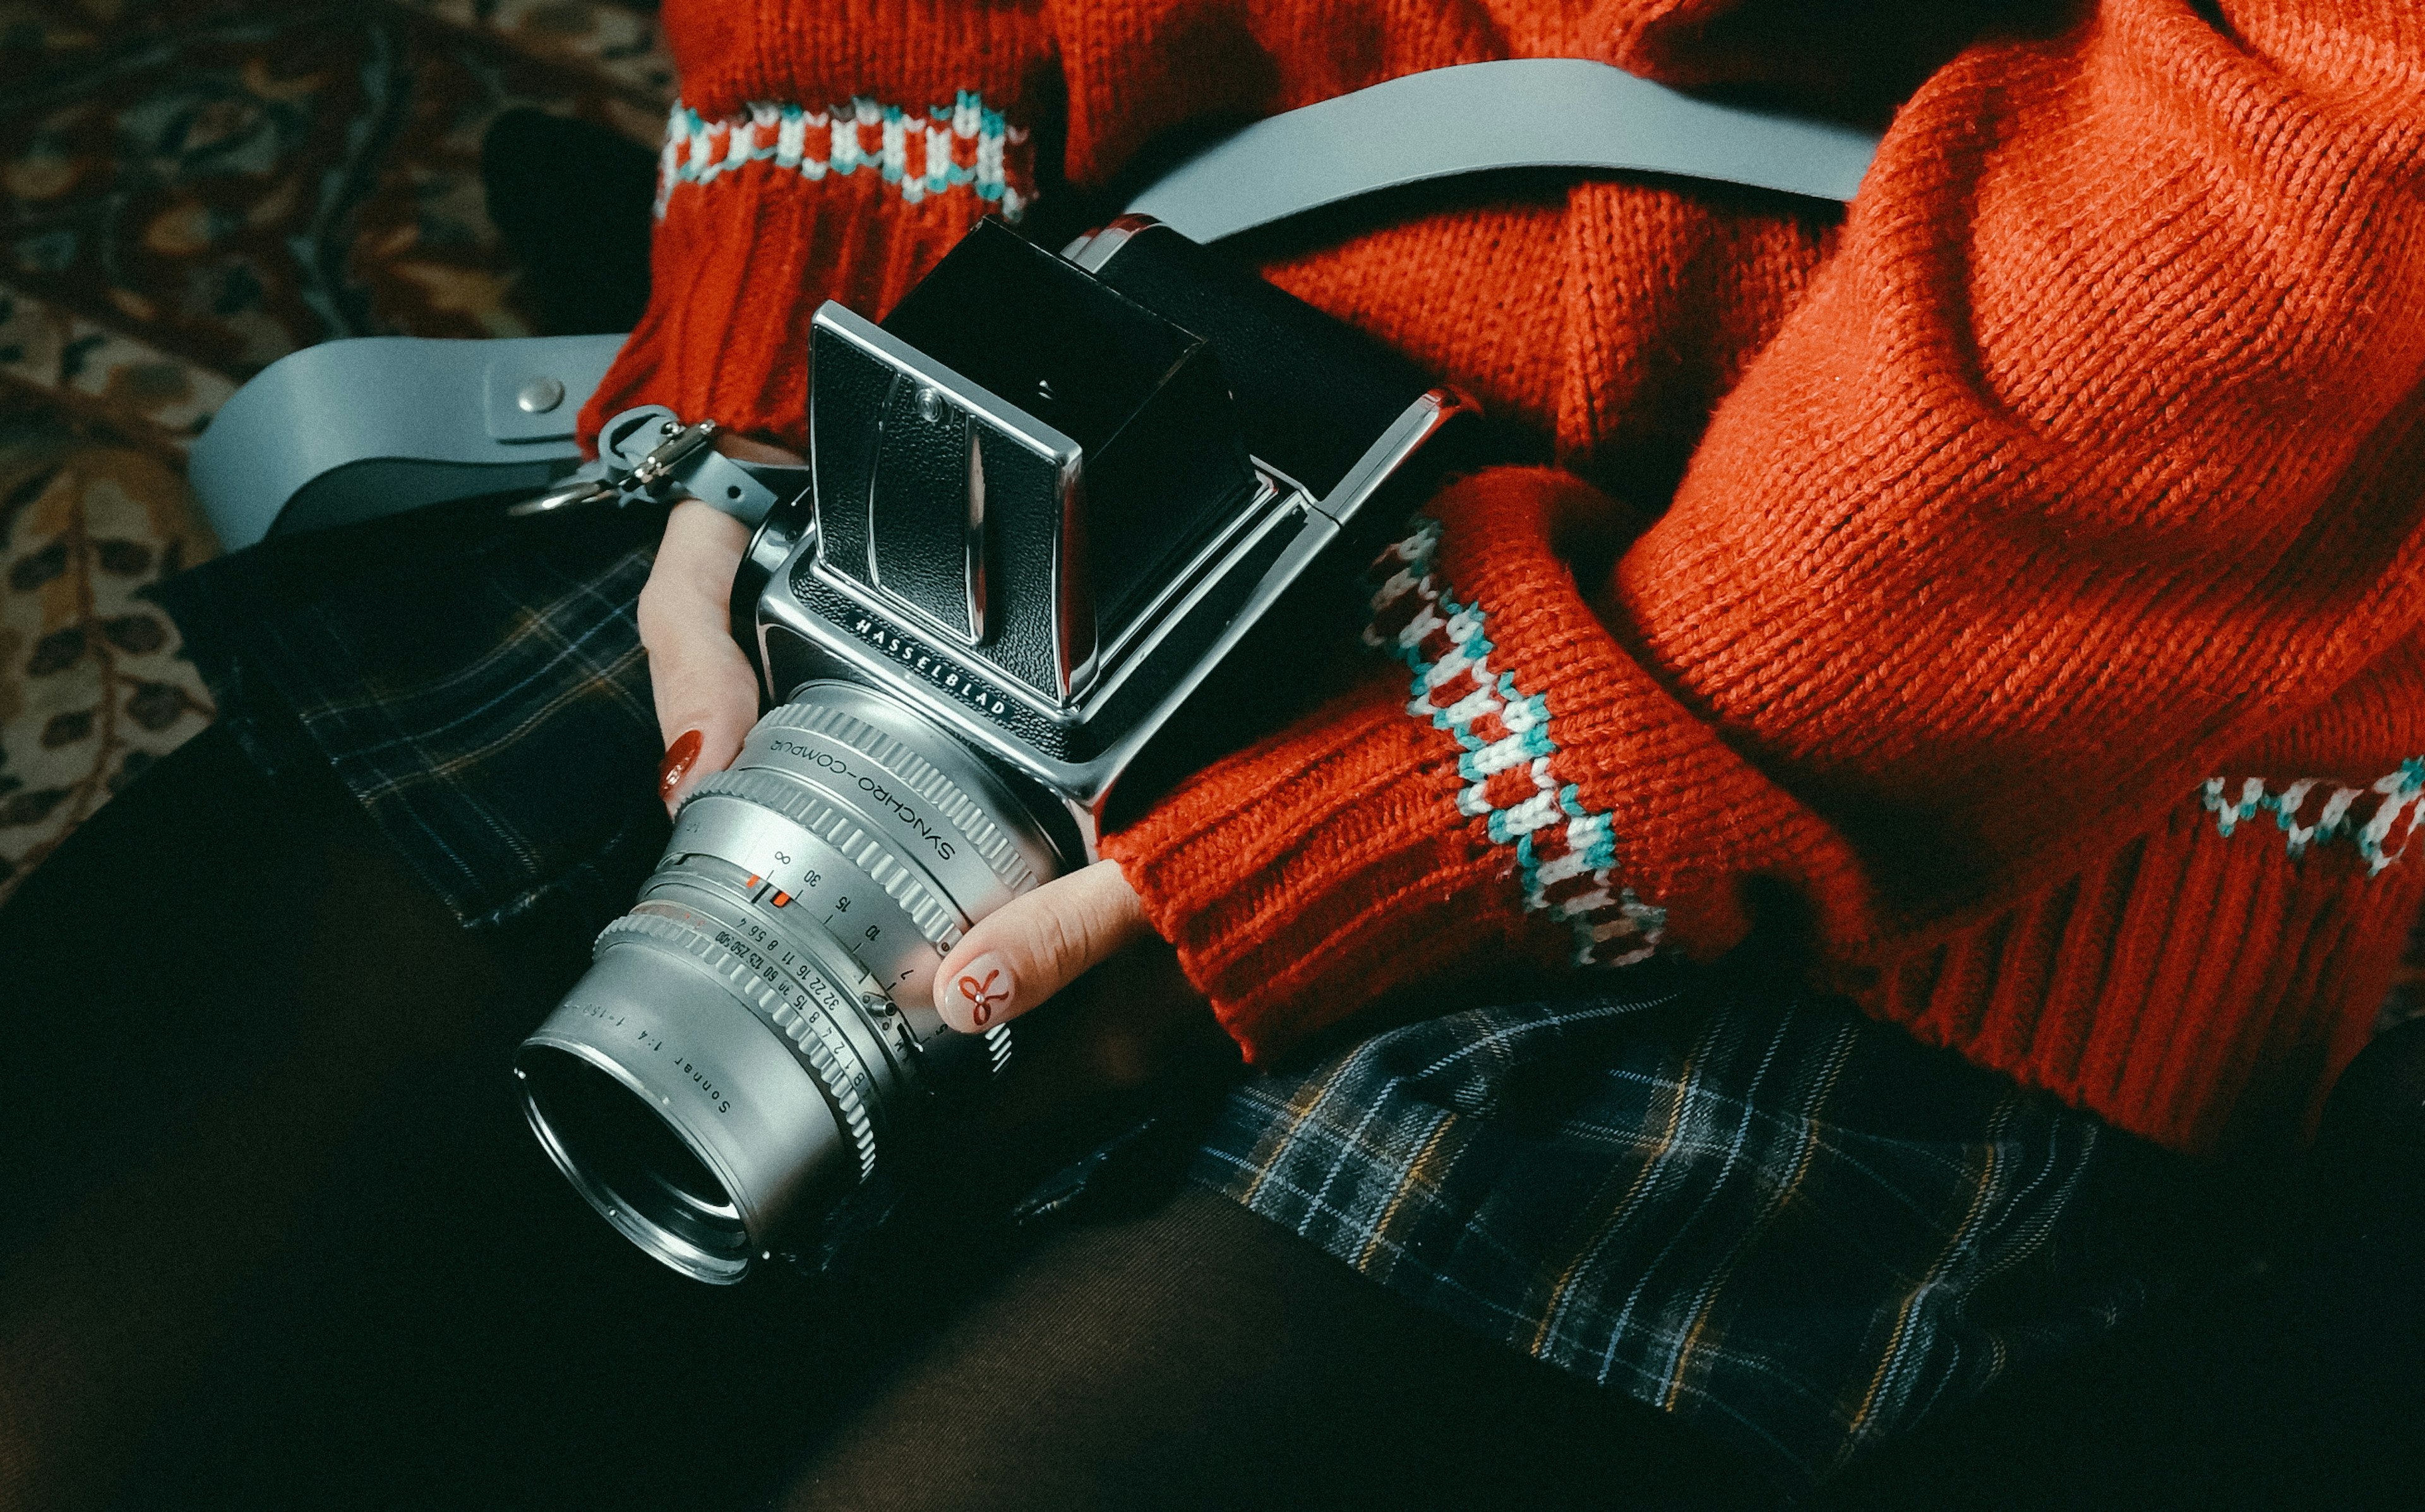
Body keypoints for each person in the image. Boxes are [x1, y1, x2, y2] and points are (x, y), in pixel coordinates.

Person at [4, 0, 2422, 1508]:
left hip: (1998, 641)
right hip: (1111, 348)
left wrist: (1524, 782)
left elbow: (2338, 159)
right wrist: (819, 317)